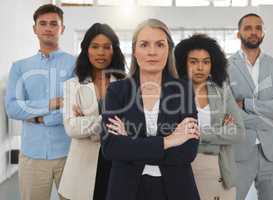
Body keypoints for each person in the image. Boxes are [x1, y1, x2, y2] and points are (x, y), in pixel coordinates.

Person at [101, 18, 200, 200]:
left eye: (160, 45)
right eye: (144, 45)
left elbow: (188, 152)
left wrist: (131, 143)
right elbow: (111, 148)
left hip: (176, 189)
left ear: (168, 49)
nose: (152, 52)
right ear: (135, 51)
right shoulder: (117, 91)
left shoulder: (184, 90)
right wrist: (169, 141)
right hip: (126, 190)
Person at [5, 4, 75, 200]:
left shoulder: (76, 64)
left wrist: (37, 118)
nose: (48, 28)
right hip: (32, 156)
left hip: (69, 155)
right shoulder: (20, 67)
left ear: (62, 29)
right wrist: (51, 104)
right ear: (34, 29)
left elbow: (77, 108)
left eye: (54, 24)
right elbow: (12, 108)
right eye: (42, 23)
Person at [227, 13, 273, 200]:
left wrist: (246, 104)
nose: (254, 32)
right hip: (238, 153)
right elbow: (226, 113)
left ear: (263, 33)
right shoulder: (224, 67)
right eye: (248, 28)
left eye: (258, 28)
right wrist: (268, 113)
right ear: (238, 33)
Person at [58, 23, 126, 200]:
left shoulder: (126, 84)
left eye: (106, 47)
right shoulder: (72, 85)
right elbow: (71, 128)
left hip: (118, 166)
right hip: (81, 171)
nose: (100, 53)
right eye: (95, 47)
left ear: (114, 50)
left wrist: (88, 123)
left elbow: (133, 126)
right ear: (86, 50)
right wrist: (110, 121)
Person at [174, 34, 245, 200]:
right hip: (184, 171)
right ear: (183, 63)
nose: (200, 67)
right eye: (193, 61)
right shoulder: (173, 93)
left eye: (206, 62)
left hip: (220, 172)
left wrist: (194, 134)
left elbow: (239, 133)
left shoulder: (222, 91)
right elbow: (169, 135)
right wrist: (221, 133)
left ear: (213, 64)